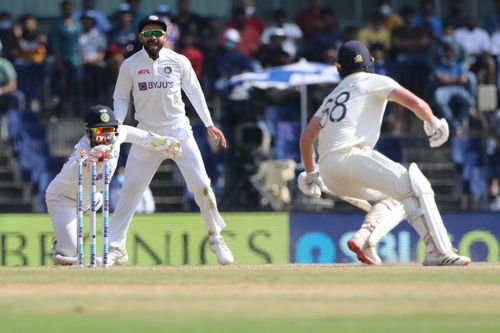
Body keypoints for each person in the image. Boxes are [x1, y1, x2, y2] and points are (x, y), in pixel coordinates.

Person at [298, 40, 472, 266]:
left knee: (394, 197)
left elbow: (306, 138)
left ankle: (365, 239)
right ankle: (437, 251)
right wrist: (434, 122)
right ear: (370, 63)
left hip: (329, 171)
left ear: (339, 68)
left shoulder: (332, 96)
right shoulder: (375, 80)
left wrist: (313, 175)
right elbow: (416, 103)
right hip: (352, 157)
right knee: (415, 186)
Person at [110, 15, 234, 266]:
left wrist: (209, 123)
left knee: (202, 186)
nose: (153, 36)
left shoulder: (179, 61)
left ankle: (215, 238)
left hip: (179, 132)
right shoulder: (130, 65)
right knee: (130, 191)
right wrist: (119, 123)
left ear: (165, 37)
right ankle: (116, 247)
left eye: (158, 32)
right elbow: (121, 98)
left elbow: (195, 92)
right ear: (140, 37)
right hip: (147, 136)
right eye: (148, 32)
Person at [46, 105, 181, 265]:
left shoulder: (119, 134)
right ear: (88, 132)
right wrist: (88, 160)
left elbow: (142, 137)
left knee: (95, 198)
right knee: (68, 257)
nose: (104, 136)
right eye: (98, 132)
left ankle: (67, 230)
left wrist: (164, 142)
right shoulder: (82, 149)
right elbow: (74, 167)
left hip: (92, 198)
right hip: (64, 200)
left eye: (108, 130)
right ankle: (61, 241)